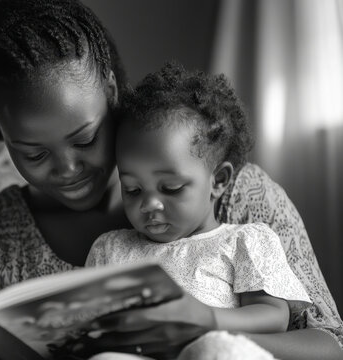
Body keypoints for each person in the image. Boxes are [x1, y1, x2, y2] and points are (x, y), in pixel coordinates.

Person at [0, 0, 343, 359]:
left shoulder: (241, 197)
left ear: (111, 91)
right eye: (32, 152)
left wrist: (210, 333)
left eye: (84, 138)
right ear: (0, 133)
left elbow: (329, 343)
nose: (68, 169)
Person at [84, 62, 312, 358]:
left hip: (209, 349)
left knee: (218, 350)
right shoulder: (110, 250)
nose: (149, 204)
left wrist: (207, 319)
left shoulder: (245, 241)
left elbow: (274, 316)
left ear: (218, 181)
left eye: (171, 188)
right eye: (133, 190)